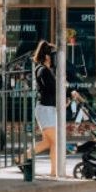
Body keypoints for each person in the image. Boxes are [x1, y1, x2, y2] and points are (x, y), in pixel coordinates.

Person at [26, 41, 60, 178]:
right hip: (45, 109)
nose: (55, 59)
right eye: (53, 56)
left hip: (47, 108)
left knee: (48, 142)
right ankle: (54, 172)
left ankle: (21, 158)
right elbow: (51, 90)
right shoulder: (43, 70)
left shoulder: (43, 70)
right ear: (47, 56)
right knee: (55, 142)